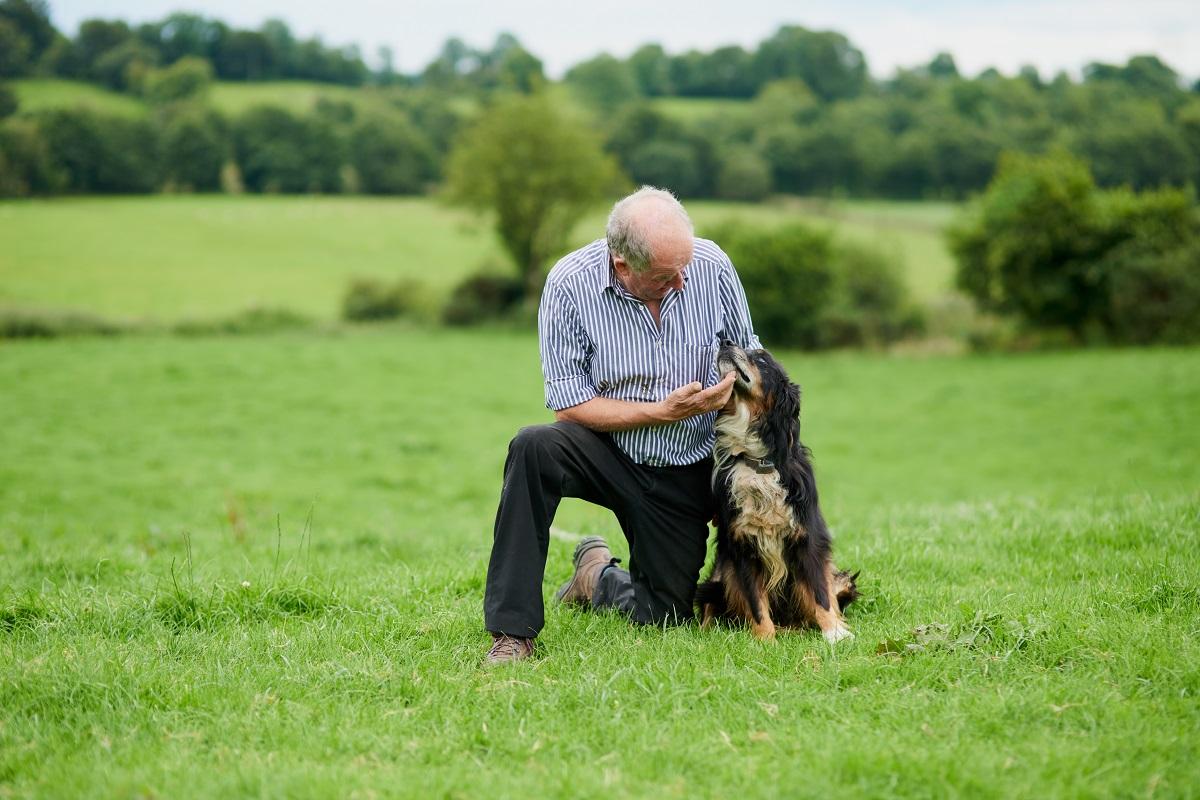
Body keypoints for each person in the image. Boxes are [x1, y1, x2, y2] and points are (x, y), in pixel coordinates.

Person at [483, 186, 761, 664]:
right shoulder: (569, 283)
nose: (680, 282)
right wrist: (659, 412)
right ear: (622, 266)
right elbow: (568, 402)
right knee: (533, 446)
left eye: (684, 268)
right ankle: (513, 633)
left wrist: (732, 474)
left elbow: (752, 359)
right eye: (664, 276)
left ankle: (597, 577)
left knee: (667, 616)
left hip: (687, 466)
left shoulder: (711, 266)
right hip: (607, 452)